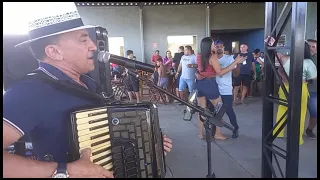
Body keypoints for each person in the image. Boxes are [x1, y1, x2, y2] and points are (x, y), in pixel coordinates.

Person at [3, 2, 172, 178]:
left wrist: (146, 144)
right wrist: (62, 171)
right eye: (84, 40)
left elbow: (109, 134)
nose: (93, 46)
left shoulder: (87, 83)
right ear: (54, 51)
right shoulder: (28, 92)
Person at [267, 37, 317, 145]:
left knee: (282, 108)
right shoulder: (308, 62)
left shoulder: (285, 58)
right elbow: (313, 78)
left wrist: (285, 78)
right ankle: (297, 138)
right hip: (300, 87)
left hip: (285, 86)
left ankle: (278, 133)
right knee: (300, 113)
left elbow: (280, 69)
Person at [194, 38, 245, 140]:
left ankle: (200, 133)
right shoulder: (212, 57)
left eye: (219, 46)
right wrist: (235, 62)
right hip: (210, 85)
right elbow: (220, 73)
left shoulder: (199, 55)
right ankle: (217, 133)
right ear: (210, 45)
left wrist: (236, 64)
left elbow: (200, 69)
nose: (216, 46)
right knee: (219, 109)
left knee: (203, 110)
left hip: (201, 84)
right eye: (214, 45)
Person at [305, 39, 317, 139]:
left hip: (314, 90)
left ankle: (309, 129)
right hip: (306, 89)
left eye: (314, 47)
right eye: (311, 46)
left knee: (315, 112)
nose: (313, 49)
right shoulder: (302, 58)